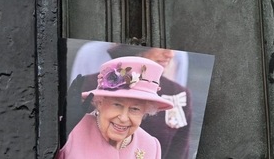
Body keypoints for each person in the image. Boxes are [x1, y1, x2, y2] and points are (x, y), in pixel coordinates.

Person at [64, 46, 192, 159]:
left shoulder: (151, 146)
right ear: (99, 102)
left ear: (145, 112)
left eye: (135, 109)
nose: (124, 118)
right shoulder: (70, 131)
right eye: (117, 105)